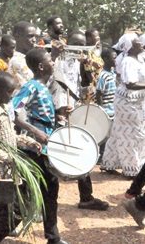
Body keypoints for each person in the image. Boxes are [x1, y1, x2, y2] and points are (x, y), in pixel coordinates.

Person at [11, 48, 69, 244]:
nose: (53, 63)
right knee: (30, 192)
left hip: (45, 147)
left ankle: (53, 237)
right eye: (50, 61)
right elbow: (14, 111)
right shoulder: (32, 87)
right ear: (41, 66)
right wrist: (35, 131)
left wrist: (59, 116)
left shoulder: (44, 87)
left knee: (49, 191)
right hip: (33, 148)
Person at [48, 30, 109, 211]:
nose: (79, 48)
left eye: (82, 45)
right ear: (67, 43)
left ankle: (86, 196)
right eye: (75, 43)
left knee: (81, 149)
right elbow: (47, 82)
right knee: (51, 156)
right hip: (57, 111)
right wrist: (56, 109)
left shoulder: (78, 61)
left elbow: (96, 70)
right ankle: (45, 202)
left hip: (71, 109)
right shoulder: (56, 60)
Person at [0, 71, 41, 244]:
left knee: (13, 208)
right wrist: (9, 157)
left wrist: (29, 142)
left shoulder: (5, 110)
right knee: (3, 210)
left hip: (11, 171)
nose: (12, 95)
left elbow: (9, 137)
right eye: (9, 91)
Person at [101, 38, 145, 177]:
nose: (141, 44)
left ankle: (109, 162)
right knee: (133, 134)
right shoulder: (128, 61)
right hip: (128, 102)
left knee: (118, 131)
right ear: (130, 46)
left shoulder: (139, 59)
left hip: (135, 101)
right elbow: (130, 84)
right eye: (138, 42)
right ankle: (132, 169)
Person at [95, 48, 117, 163]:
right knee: (106, 135)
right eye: (113, 58)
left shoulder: (113, 74)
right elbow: (99, 94)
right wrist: (102, 110)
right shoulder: (103, 76)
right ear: (106, 59)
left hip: (114, 110)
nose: (116, 60)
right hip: (107, 110)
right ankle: (102, 156)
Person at [8, 21, 37, 91]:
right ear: (17, 37)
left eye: (34, 36)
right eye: (30, 36)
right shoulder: (16, 62)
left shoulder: (30, 59)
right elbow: (32, 88)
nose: (34, 40)